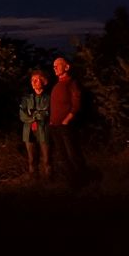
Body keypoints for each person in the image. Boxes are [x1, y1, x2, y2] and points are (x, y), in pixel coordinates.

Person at [49, 57, 91, 188]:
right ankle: (71, 182)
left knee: (73, 153)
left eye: (58, 65)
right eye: (53, 65)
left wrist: (67, 120)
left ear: (66, 67)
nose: (54, 67)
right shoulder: (57, 84)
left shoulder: (71, 83)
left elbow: (76, 103)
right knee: (62, 156)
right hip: (55, 126)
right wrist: (51, 122)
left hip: (65, 126)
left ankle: (83, 181)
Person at [19, 70, 51, 182]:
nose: (34, 82)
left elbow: (46, 114)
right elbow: (22, 115)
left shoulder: (48, 98)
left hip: (43, 130)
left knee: (46, 159)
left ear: (44, 81)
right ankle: (33, 180)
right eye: (33, 80)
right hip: (29, 132)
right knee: (32, 159)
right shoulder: (26, 98)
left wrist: (33, 114)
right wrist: (36, 115)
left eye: (37, 80)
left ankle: (49, 180)